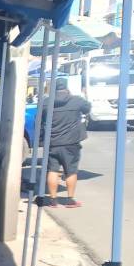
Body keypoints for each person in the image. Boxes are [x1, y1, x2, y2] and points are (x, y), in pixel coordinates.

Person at [43, 79, 91, 208]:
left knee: (52, 170)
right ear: (67, 89)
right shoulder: (77, 101)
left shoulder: (46, 103)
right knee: (71, 171)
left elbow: (41, 120)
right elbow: (87, 108)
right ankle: (70, 200)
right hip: (71, 143)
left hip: (52, 142)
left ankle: (53, 200)